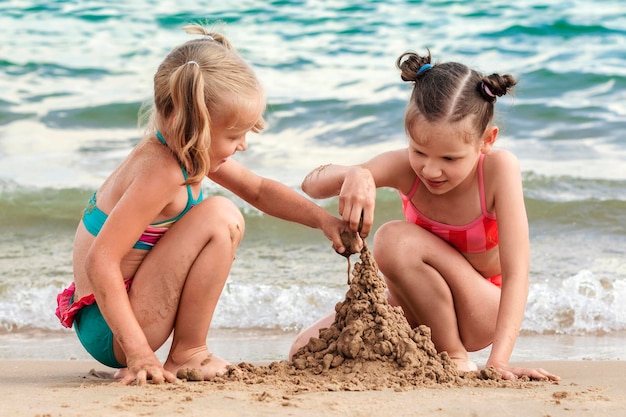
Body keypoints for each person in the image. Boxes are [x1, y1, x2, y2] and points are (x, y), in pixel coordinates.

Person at [55, 24, 357, 386]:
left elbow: (259, 190)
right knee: (221, 216)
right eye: (234, 135)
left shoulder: (182, 151)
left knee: (221, 212)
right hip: (113, 329)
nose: (243, 144)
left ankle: (184, 349)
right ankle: (188, 352)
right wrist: (138, 353)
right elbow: (100, 260)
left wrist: (323, 220)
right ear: (194, 127)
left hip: (112, 315)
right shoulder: (162, 173)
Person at [290, 49, 559, 381]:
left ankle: (455, 357)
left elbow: (518, 274)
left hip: (480, 309)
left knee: (392, 238)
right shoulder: (405, 167)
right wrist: (358, 173)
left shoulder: (498, 170)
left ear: (486, 141)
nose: (431, 170)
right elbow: (311, 186)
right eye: (419, 151)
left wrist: (499, 360)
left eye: (450, 158)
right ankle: (432, 350)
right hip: (420, 306)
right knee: (305, 351)